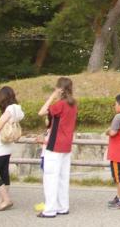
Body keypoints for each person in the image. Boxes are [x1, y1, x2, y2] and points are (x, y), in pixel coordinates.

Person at [38, 77, 77, 218]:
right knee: (63, 178)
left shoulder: (60, 104)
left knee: (50, 178)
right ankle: (63, 206)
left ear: (59, 89)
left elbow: (41, 112)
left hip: (54, 145)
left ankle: (49, 210)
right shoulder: (73, 104)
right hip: (66, 146)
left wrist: (52, 96)